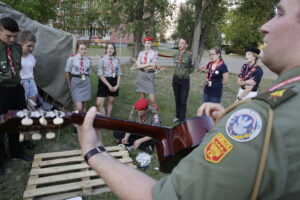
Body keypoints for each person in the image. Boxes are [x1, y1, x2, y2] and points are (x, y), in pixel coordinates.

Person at [76, 0, 300, 199]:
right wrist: (228, 121)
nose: (265, 26)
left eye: (279, 13)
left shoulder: (263, 119)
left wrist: (94, 151)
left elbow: (165, 196)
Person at [0, 17, 33, 176]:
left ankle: (17, 152)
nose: (12, 39)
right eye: (8, 36)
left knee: (17, 121)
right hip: (1, 90)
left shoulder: (17, 48)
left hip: (16, 88)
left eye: (15, 36)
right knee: (0, 125)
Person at [65, 43, 91, 134]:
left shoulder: (88, 60)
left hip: (85, 82)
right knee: (78, 106)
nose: (84, 50)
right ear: (77, 50)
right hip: (75, 82)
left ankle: (82, 124)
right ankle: (75, 125)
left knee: (84, 106)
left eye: (85, 49)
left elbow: (89, 72)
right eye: (81, 49)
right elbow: (67, 72)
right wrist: (69, 84)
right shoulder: (72, 59)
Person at [19, 30, 38, 149]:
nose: (31, 49)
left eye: (33, 46)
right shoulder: (16, 57)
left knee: (31, 111)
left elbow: (30, 71)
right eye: (29, 46)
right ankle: (19, 139)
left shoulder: (31, 57)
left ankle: (26, 139)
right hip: (21, 85)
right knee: (22, 113)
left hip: (31, 83)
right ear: (21, 43)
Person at [96, 43, 122, 116]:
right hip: (104, 81)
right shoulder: (102, 59)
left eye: (112, 48)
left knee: (111, 101)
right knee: (99, 103)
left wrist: (117, 85)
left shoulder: (117, 60)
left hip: (114, 80)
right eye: (108, 48)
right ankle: (104, 117)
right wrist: (108, 85)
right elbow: (100, 74)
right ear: (106, 49)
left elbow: (119, 73)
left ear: (114, 50)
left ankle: (108, 117)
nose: (110, 50)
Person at [172, 37, 194, 123]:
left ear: (186, 45)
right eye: (179, 43)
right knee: (177, 99)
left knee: (183, 101)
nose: (180, 44)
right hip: (175, 79)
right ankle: (177, 116)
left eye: (182, 43)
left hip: (184, 80)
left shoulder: (189, 55)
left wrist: (185, 73)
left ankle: (182, 120)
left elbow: (192, 69)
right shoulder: (175, 54)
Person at [133, 37, 159, 109]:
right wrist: (149, 64)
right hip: (141, 75)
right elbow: (138, 65)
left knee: (152, 99)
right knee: (142, 98)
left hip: (150, 75)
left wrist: (142, 66)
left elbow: (153, 66)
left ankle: (155, 115)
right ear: (144, 44)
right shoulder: (141, 53)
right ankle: (144, 113)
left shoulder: (154, 53)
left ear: (151, 44)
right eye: (146, 43)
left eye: (149, 43)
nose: (147, 45)